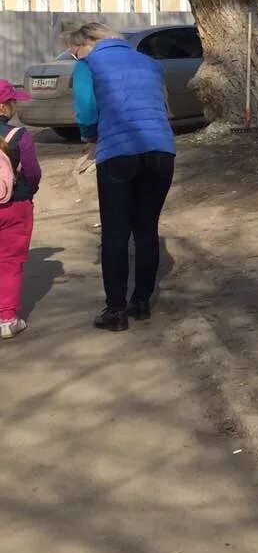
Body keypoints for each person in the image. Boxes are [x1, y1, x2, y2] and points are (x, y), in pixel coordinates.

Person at [68, 22, 176, 331]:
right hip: (161, 150)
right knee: (146, 228)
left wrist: (90, 137)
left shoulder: (88, 65)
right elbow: (165, 106)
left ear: (88, 43)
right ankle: (141, 301)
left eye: (75, 51)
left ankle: (115, 311)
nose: (75, 57)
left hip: (118, 151)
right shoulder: (149, 63)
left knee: (115, 231)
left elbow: (87, 111)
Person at [0, 80, 41, 339]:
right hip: (15, 205)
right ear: (5, 106)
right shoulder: (20, 136)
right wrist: (29, 190)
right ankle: (6, 319)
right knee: (10, 262)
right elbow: (33, 173)